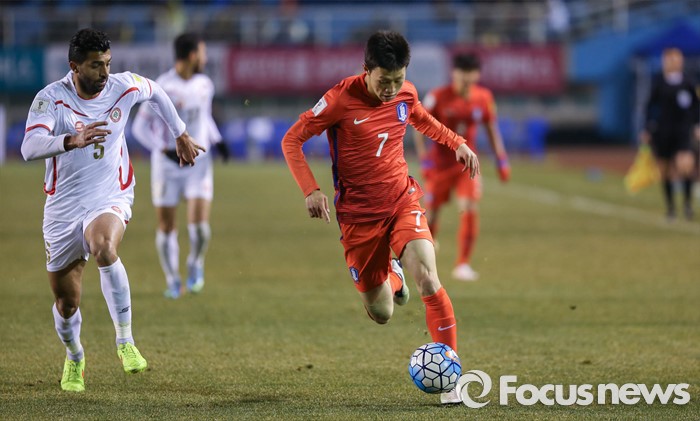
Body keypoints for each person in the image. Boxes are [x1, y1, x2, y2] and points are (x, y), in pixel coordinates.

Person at [281, 30, 479, 404]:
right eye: (383, 81)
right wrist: (310, 189)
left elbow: (423, 119)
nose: (391, 90)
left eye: (398, 80)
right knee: (383, 311)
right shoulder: (339, 99)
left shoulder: (406, 93)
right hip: (358, 219)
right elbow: (291, 140)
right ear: (366, 69)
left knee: (429, 278)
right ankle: (392, 273)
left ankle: (452, 377)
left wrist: (457, 143)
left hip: (402, 201)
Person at [21, 28, 204, 392]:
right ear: (74, 66)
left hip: (110, 194)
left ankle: (125, 341)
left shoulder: (122, 85)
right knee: (67, 303)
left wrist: (179, 132)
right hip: (63, 207)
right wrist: (71, 139)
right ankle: (75, 356)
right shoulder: (51, 98)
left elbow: (156, 91)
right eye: (95, 65)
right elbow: (29, 146)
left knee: (103, 245)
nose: (104, 72)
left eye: (107, 63)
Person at [131, 33, 228, 299]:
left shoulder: (205, 84)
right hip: (167, 167)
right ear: (193, 55)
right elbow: (139, 128)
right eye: (203, 53)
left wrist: (218, 140)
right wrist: (163, 150)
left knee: (200, 228)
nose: (205, 59)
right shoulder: (162, 87)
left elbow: (204, 117)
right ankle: (173, 279)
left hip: (199, 163)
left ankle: (195, 263)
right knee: (166, 227)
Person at [413, 53, 509, 282]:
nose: (466, 78)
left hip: (468, 166)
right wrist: (425, 159)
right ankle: (423, 260)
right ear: (453, 73)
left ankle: (463, 264)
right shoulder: (437, 97)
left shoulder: (484, 97)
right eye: (462, 72)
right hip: (440, 165)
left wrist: (501, 159)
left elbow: (491, 128)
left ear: (477, 74)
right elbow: (419, 127)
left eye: (470, 73)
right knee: (432, 213)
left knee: (468, 207)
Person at [640, 47, 700, 220]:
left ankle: (687, 204)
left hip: (683, 131)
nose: (673, 62)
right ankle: (671, 208)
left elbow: (696, 107)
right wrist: (647, 128)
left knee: (686, 166)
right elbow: (650, 107)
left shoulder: (688, 82)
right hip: (663, 131)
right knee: (665, 170)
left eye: (676, 59)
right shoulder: (659, 82)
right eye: (669, 59)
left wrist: (697, 125)